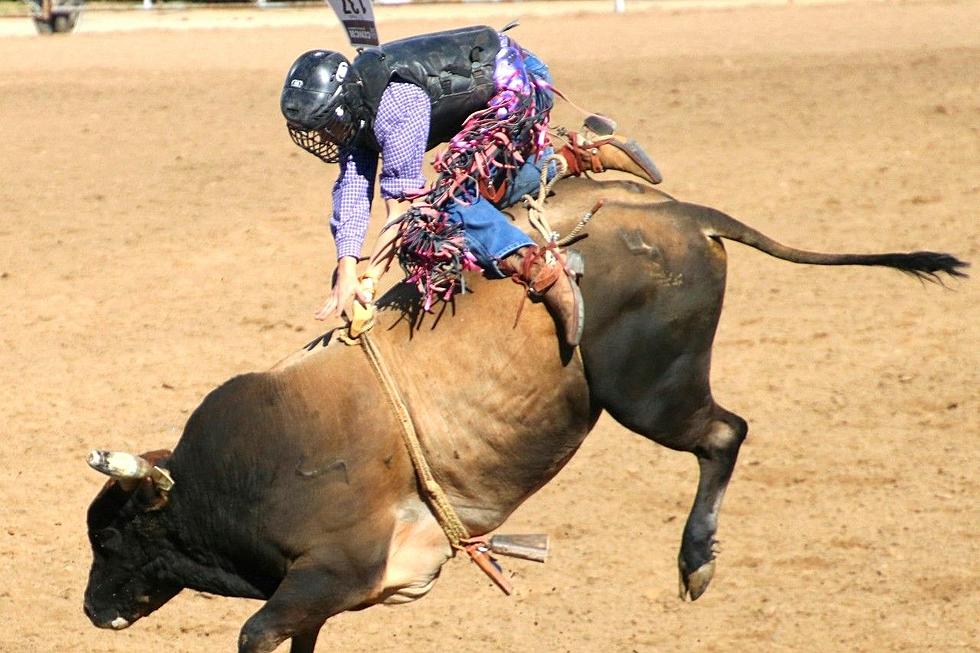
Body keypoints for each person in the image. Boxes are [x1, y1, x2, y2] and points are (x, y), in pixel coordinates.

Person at [280, 25, 661, 346]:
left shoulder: (396, 106)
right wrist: (346, 267)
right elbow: (352, 189)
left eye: (326, 126)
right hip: (491, 87)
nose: (325, 138)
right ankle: (582, 155)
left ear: (344, 104)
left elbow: (403, 205)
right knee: (483, 195)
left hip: (518, 85)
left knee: (445, 205)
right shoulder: (355, 115)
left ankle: (540, 268)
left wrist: (370, 281)